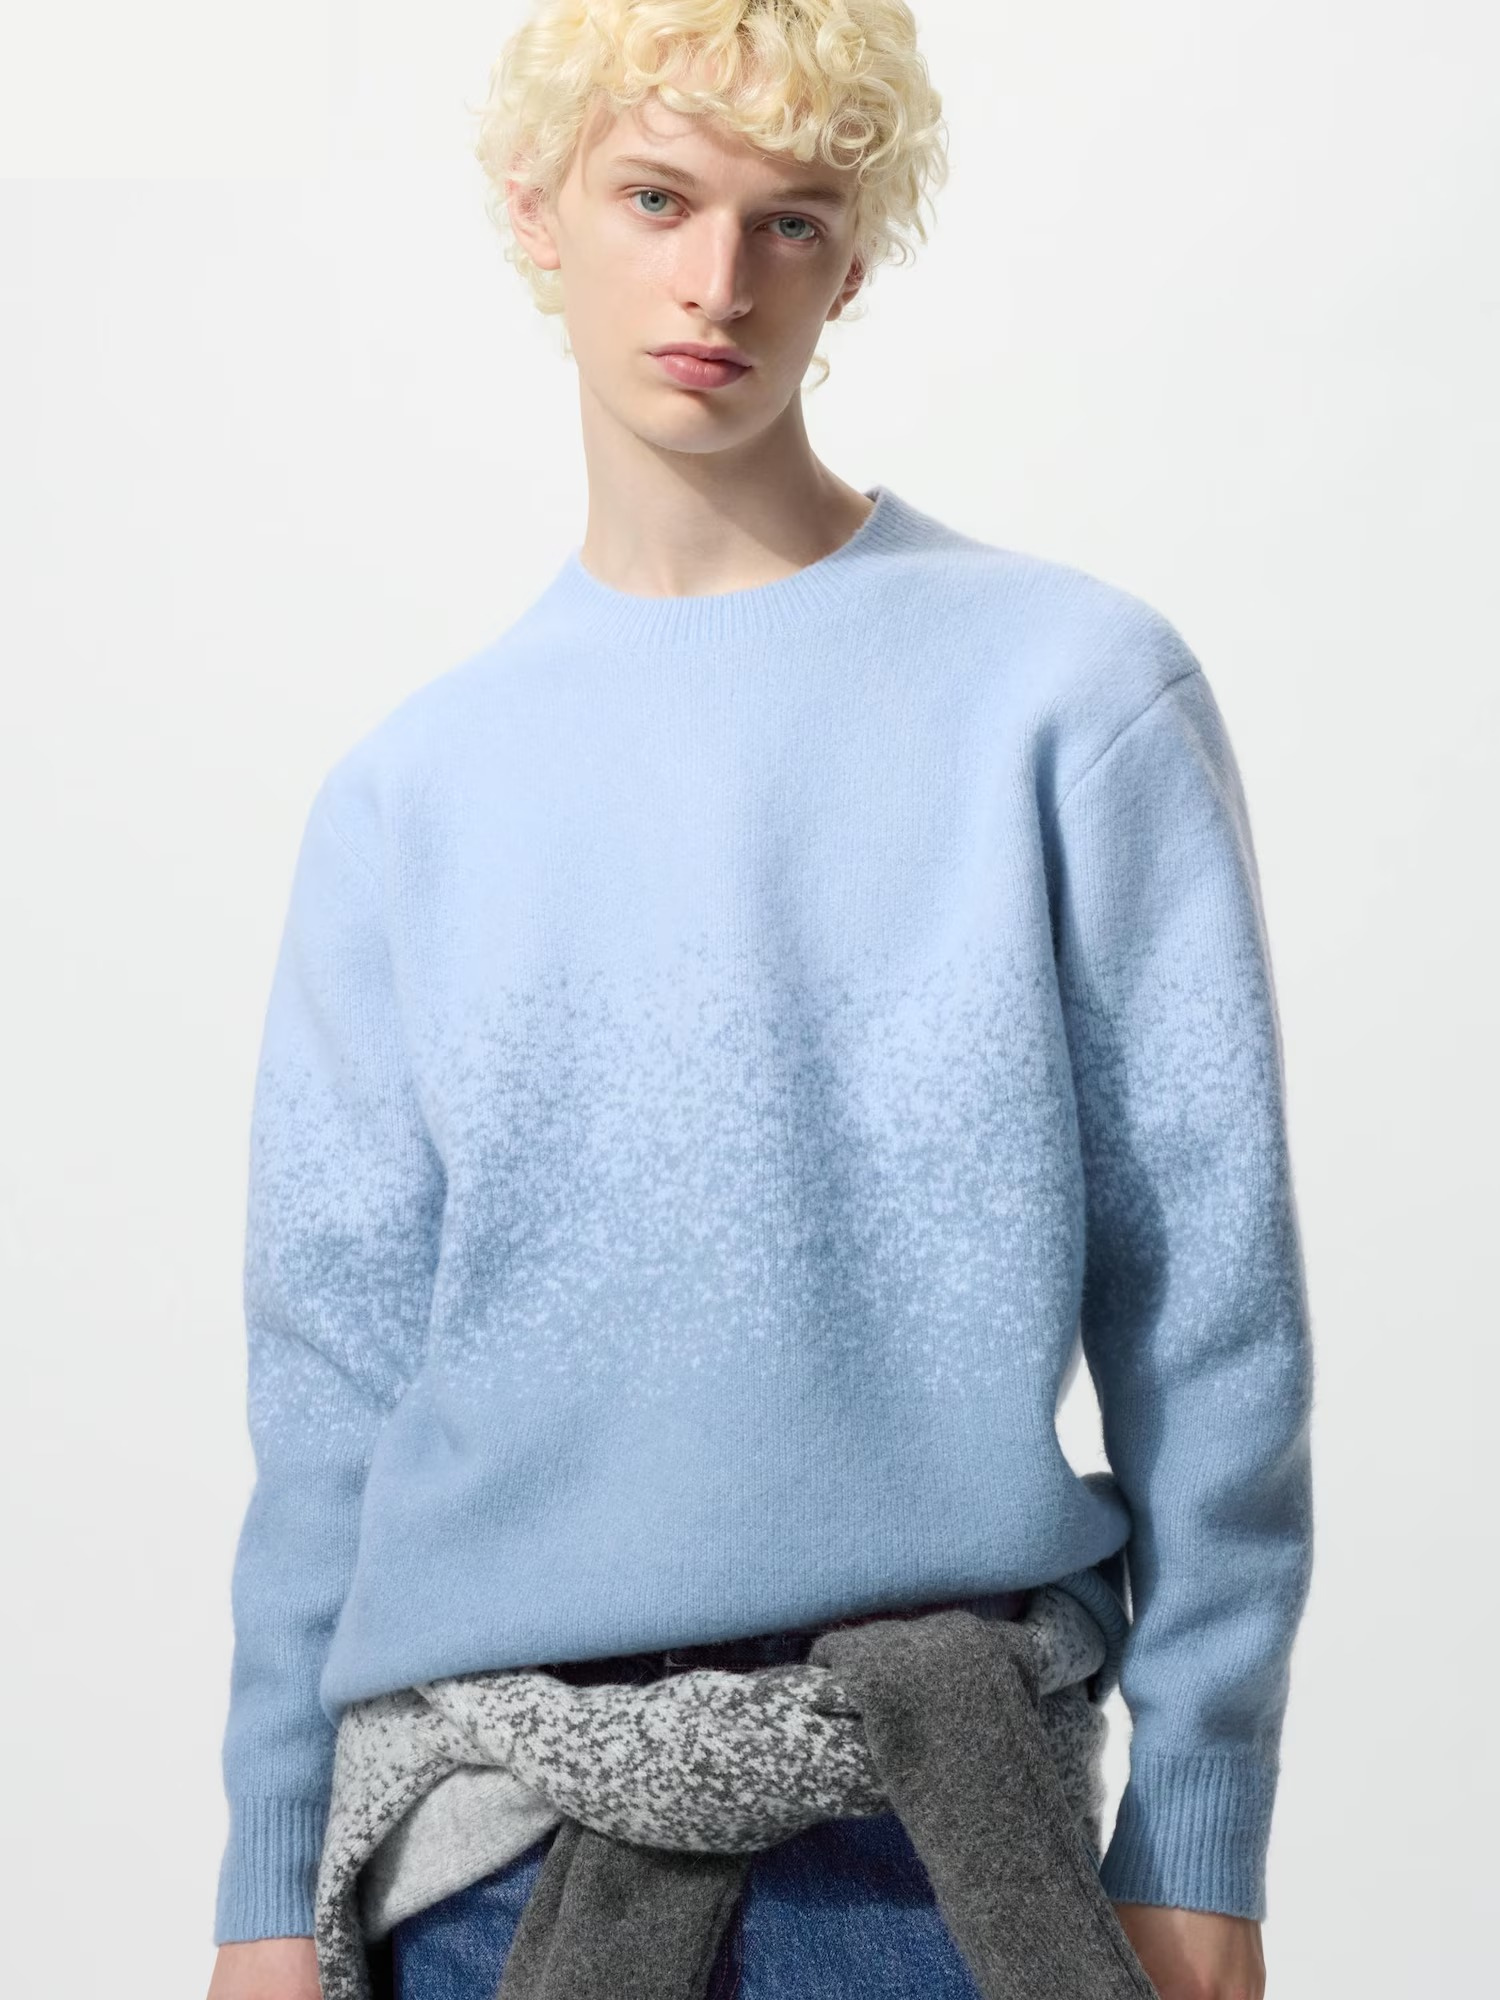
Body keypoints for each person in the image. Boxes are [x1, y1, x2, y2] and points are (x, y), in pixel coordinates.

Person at [205, 3, 1315, 1997]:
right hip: (484, 1860)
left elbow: (1208, 1306)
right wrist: (269, 1893)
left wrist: (1204, 1823)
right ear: (535, 210)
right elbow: (332, 1395)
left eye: (790, 220)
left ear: (854, 260)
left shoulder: (1068, 695)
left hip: (933, 1847)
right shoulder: (409, 798)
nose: (718, 281)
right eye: (657, 199)